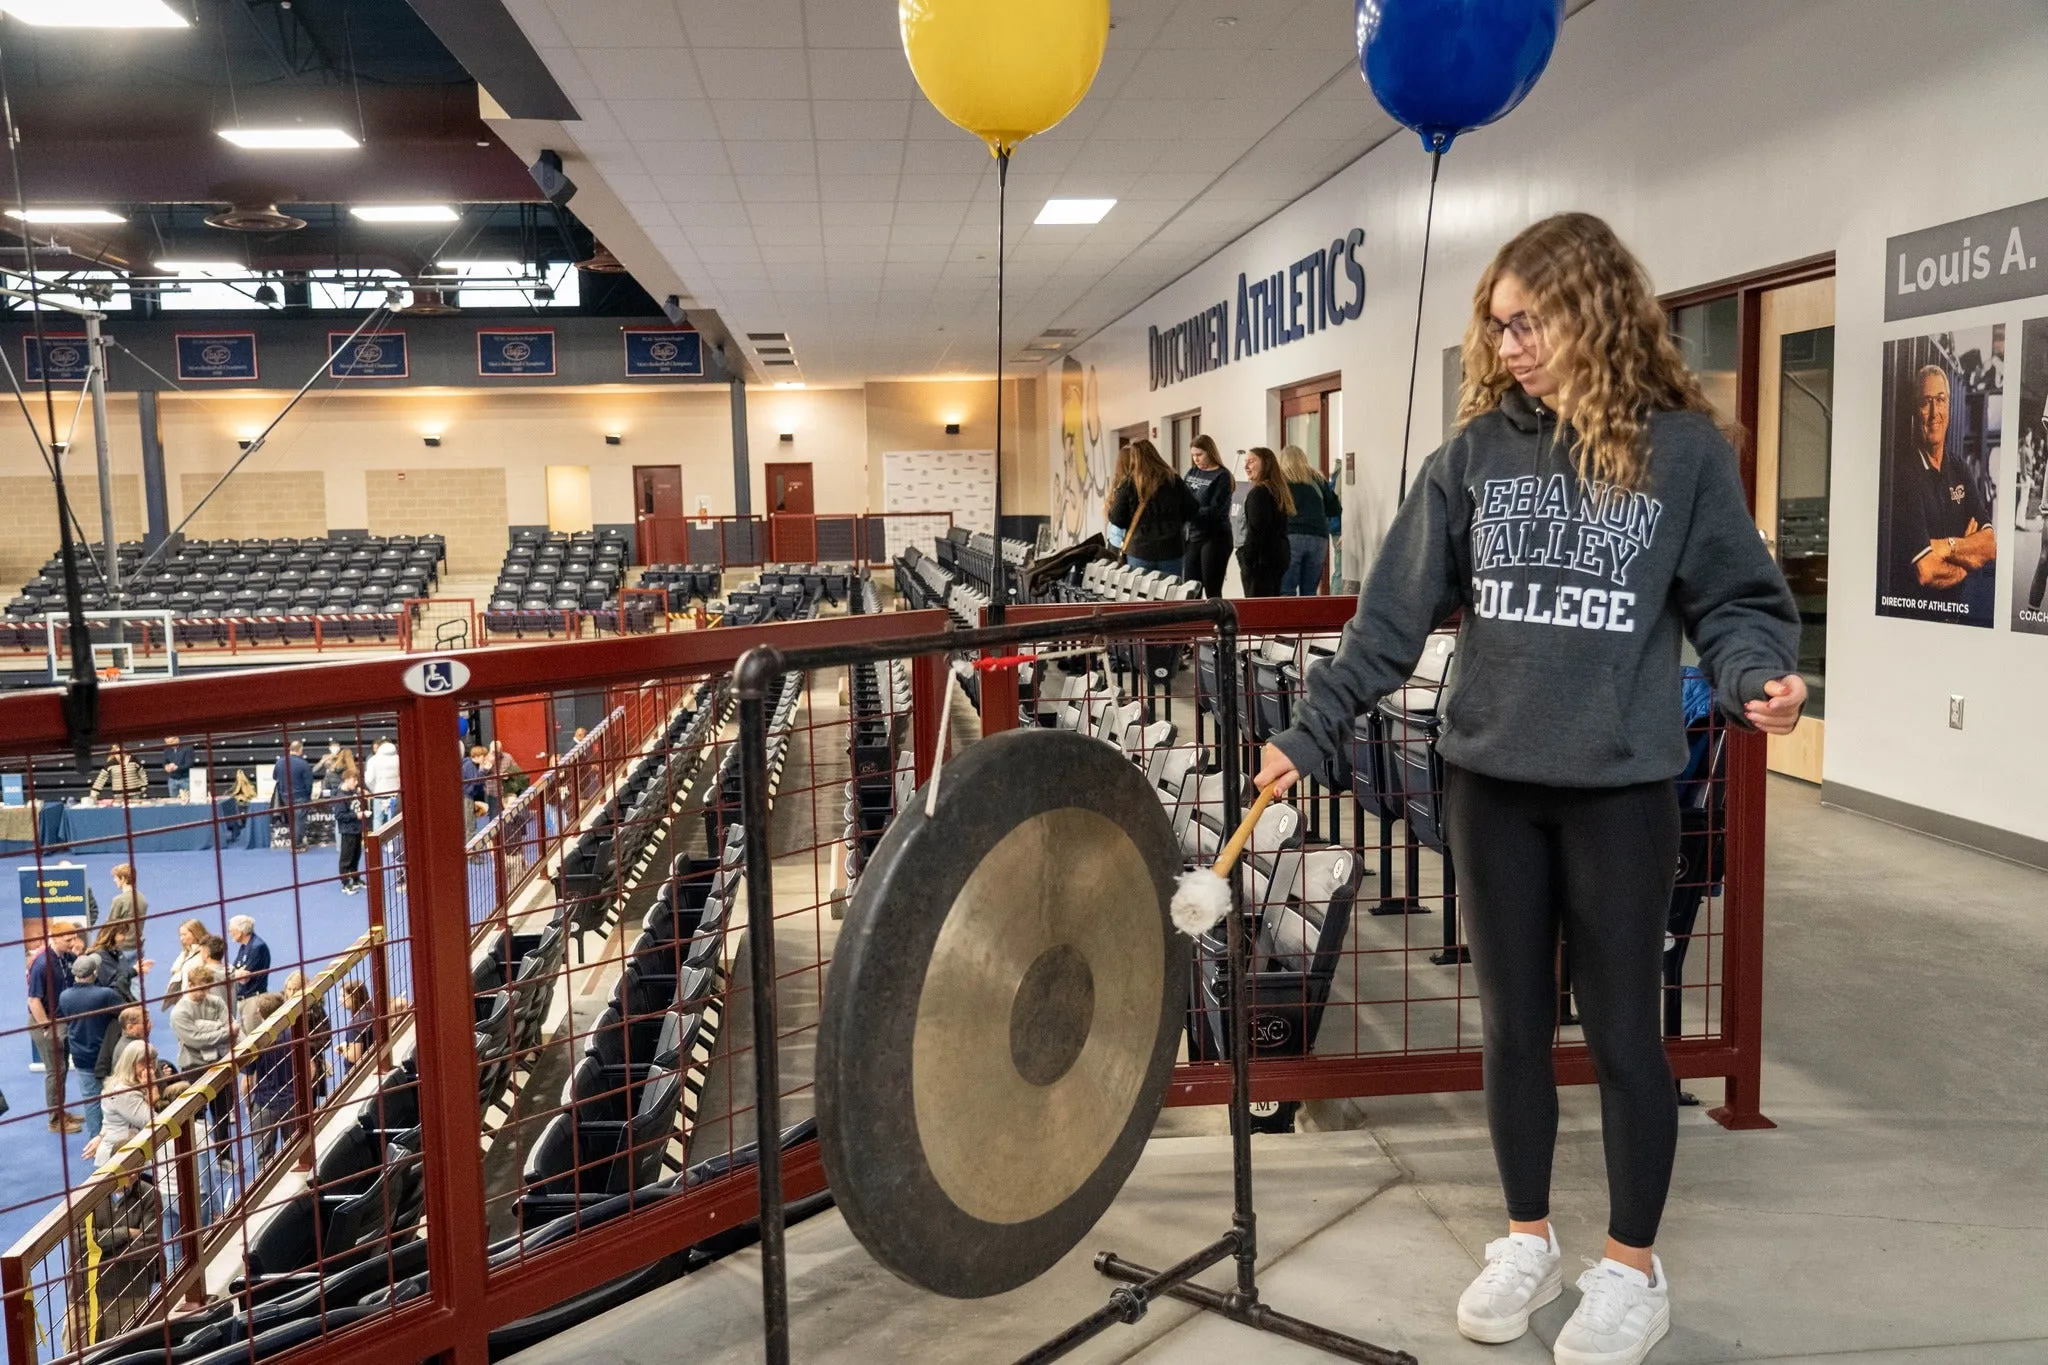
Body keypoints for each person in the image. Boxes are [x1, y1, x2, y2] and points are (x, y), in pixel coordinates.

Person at [1254, 212, 1805, 1365]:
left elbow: (1737, 604)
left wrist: (1756, 676)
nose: (1506, 345)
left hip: (1617, 788)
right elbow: (1389, 620)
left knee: (1620, 1036)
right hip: (1489, 786)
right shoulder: (1469, 458)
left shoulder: (1683, 453)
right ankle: (1524, 1239)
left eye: (1528, 322)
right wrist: (1307, 734)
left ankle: (1629, 1269)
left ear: (1593, 313)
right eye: (1495, 325)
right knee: (1509, 1029)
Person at [1886, 362, 1996, 615]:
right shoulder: (1905, 474)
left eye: (1941, 399)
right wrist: (1967, 562)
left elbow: (1990, 546)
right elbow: (1926, 571)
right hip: (1915, 624)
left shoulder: (1960, 468)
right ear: (1916, 411)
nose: (1934, 411)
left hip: (1955, 617)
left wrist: (1945, 547)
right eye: (1926, 402)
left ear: (1949, 405)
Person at [59, 953, 125, 1144]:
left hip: (80, 1056)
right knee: (115, 1096)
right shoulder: (105, 994)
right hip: (106, 1056)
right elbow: (124, 1013)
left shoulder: (65, 996)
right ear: (95, 972)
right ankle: (117, 1138)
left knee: (90, 1100)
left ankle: (96, 1141)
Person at [1104, 438, 1195, 575]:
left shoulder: (1129, 483)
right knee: (1171, 593)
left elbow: (1117, 518)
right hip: (1172, 549)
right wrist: (1174, 521)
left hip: (1140, 550)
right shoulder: (1174, 480)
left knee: (1141, 593)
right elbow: (1192, 509)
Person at [27, 922, 85, 1133]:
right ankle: (54, 1120)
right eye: (68, 940)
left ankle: (60, 1112)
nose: (73, 943)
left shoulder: (66, 957)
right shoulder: (42, 965)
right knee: (55, 1071)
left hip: (63, 1022)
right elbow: (34, 1000)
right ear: (55, 938)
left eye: (74, 938)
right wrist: (47, 1027)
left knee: (62, 1069)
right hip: (47, 1022)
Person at [1277, 444, 1343, 596]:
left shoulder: (1280, 480)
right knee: (1310, 591)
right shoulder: (1317, 479)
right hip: (1318, 537)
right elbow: (1335, 508)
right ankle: (1310, 620)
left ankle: (1290, 619)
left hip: (1290, 535)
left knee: (1286, 590)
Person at [240, 993, 295, 1163]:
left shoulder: (256, 1041)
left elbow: (247, 1081)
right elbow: (309, 1066)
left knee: (265, 1158)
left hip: (265, 1102)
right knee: (295, 1149)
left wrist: (248, 1102)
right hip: (293, 1100)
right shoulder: (293, 1034)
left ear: (258, 1012)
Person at [1181, 434, 1235, 598]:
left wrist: (1190, 513)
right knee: (1190, 587)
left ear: (1210, 452)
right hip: (1194, 535)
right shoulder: (1192, 472)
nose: (1196, 459)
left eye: (1199, 455)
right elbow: (1183, 498)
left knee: (1212, 588)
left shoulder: (1222, 475)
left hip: (1215, 536)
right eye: (1193, 455)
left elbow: (1215, 509)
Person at [1235, 446, 1293, 597]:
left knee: (1257, 608)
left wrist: (1247, 557)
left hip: (1261, 560)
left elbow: (1257, 529)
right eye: (1245, 462)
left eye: (1251, 461)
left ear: (1266, 464)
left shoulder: (1259, 493)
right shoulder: (1277, 490)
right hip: (1276, 556)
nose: (1246, 466)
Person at [87, 1041, 158, 1163]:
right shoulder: (124, 1092)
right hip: (119, 1157)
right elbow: (153, 1121)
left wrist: (101, 1135)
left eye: (152, 1061)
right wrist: (152, 1088)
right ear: (130, 1064)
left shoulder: (127, 1083)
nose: (149, 1066)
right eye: (143, 1062)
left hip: (129, 1151)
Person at [93, 1004, 148, 1101]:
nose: (150, 1025)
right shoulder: (133, 1049)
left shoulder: (132, 1043)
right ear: (130, 1028)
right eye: (145, 1022)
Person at [89, 922, 150, 1002]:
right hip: (111, 1004)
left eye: (125, 933)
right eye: (122, 934)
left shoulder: (118, 952)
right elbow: (115, 982)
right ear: (111, 935)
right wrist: (134, 971)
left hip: (121, 999)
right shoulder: (100, 956)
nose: (125, 937)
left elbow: (122, 978)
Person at [273, 740, 314, 851]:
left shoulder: (280, 762)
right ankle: (297, 845)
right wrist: (308, 796)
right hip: (301, 796)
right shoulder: (303, 764)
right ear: (300, 750)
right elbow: (309, 784)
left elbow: (274, 777)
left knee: (292, 821)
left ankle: (295, 843)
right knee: (299, 822)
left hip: (285, 797)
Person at [105, 863, 147, 959]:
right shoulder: (142, 898)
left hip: (122, 949)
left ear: (123, 879)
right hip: (137, 947)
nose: (114, 880)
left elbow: (110, 926)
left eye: (116, 877)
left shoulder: (119, 900)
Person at [334, 774, 368, 894]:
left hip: (356, 829)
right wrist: (356, 815)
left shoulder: (352, 793)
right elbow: (339, 816)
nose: (356, 782)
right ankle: (345, 883)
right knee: (346, 858)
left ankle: (355, 878)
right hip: (348, 831)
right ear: (346, 780)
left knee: (355, 856)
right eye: (354, 780)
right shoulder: (340, 797)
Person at [337, 979, 377, 1074]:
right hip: (372, 1064)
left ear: (354, 997)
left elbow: (354, 1057)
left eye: (343, 996)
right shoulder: (371, 1012)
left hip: (358, 1074)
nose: (340, 1000)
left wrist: (343, 1049)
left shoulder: (355, 1024)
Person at [165, 918, 211, 999]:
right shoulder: (187, 953)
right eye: (180, 935)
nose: (181, 938)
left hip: (200, 999)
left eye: (184, 935)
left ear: (196, 933)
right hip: (187, 997)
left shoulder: (206, 953)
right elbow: (174, 969)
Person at [227, 916, 270, 999]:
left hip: (254, 999)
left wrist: (236, 973)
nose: (230, 934)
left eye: (231, 930)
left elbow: (243, 977)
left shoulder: (257, 947)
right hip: (245, 998)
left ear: (240, 931)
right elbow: (233, 969)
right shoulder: (244, 946)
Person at [364, 740, 400, 827]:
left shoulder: (373, 760)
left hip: (379, 795)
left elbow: (369, 779)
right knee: (393, 821)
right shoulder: (398, 759)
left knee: (377, 820)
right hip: (394, 794)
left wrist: (374, 790)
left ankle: (378, 840)